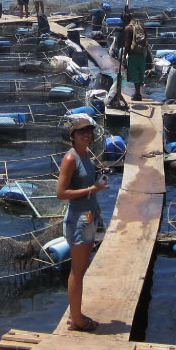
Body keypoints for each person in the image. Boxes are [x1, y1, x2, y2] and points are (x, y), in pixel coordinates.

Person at [56, 113, 108, 332]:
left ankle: (75, 313)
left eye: (89, 131)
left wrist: (95, 197)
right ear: (73, 135)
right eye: (81, 132)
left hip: (89, 216)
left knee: (81, 269)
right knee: (77, 271)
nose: (86, 135)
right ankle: (77, 320)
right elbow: (61, 193)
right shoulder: (70, 158)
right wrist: (91, 190)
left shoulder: (86, 153)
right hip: (78, 220)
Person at [123, 17, 149, 101]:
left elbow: (127, 44)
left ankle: (137, 94)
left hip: (133, 54)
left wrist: (124, 56)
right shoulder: (141, 25)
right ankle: (138, 92)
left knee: (134, 74)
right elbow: (146, 38)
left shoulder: (128, 28)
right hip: (142, 53)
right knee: (140, 73)